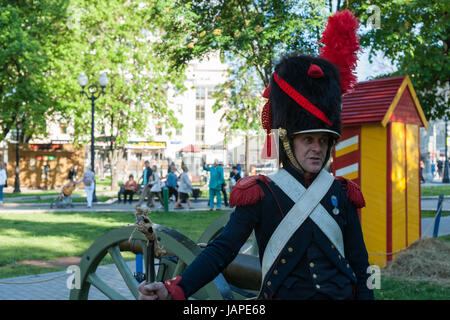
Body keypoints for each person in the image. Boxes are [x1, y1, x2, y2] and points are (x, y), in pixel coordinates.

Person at [138, 10, 373, 301]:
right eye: (308, 139)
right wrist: (176, 288)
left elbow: (360, 266)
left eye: (324, 140)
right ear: (287, 140)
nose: (317, 147)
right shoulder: (261, 194)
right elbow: (222, 249)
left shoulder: (342, 193)